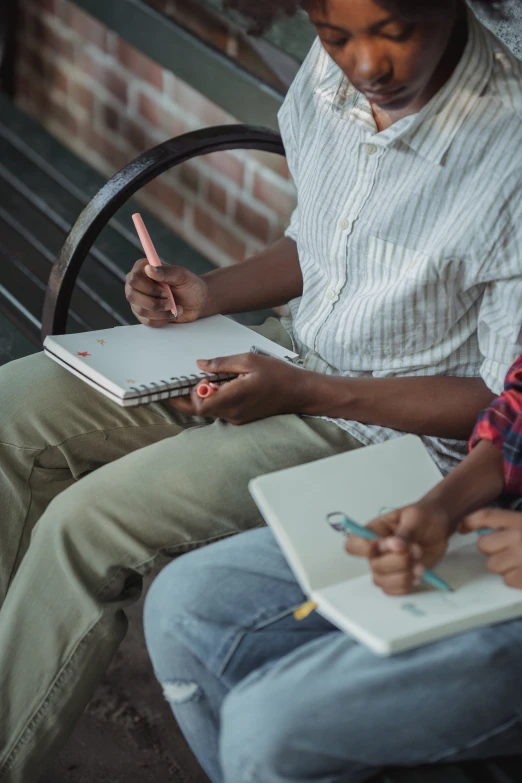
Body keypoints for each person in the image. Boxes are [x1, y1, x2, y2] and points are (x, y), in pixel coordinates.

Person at [0, 0, 520, 778]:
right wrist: (210, 293)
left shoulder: (507, 144)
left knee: (86, 526)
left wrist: (305, 390)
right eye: (335, 35)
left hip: (388, 430)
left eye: (395, 33)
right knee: (11, 412)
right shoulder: (334, 76)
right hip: (283, 352)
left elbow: (498, 403)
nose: (366, 65)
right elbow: (321, 244)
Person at [143, 355, 522, 783]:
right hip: (495, 513)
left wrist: (308, 389)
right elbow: (517, 411)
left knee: (266, 729)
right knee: (184, 602)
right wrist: (440, 507)